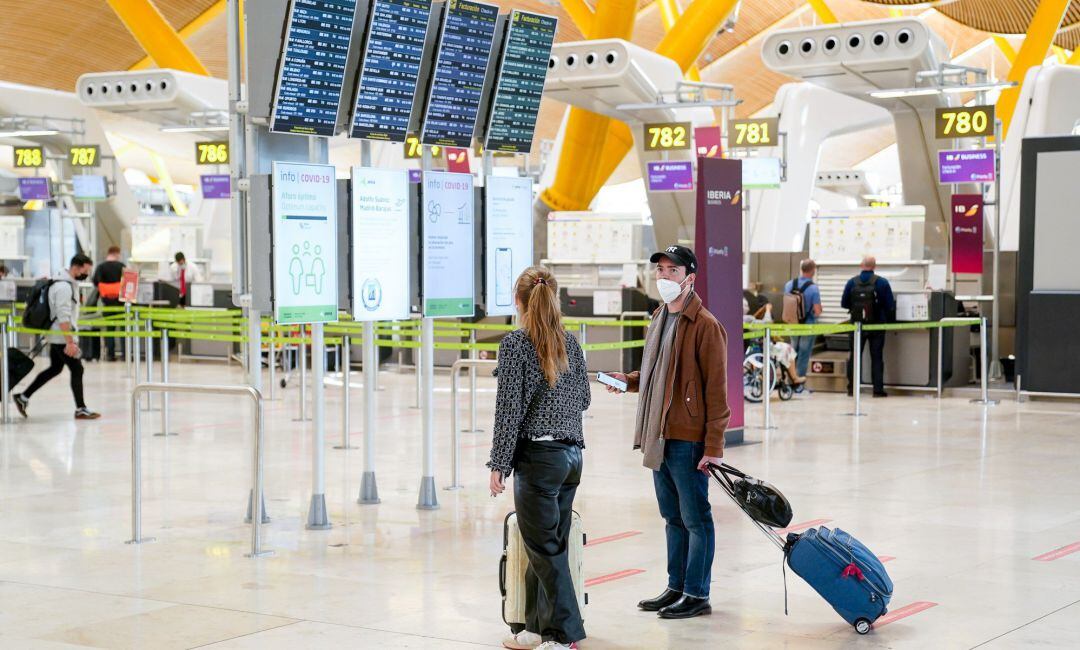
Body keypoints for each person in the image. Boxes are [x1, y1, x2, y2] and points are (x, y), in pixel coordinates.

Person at [605, 245, 730, 620]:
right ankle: (676, 586)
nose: (662, 277)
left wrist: (714, 445)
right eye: (659, 270)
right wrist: (627, 382)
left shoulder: (706, 326)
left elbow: (716, 393)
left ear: (689, 279)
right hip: (659, 434)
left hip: (688, 439)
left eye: (671, 271)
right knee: (672, 517)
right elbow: (657, 375)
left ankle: (697, 593)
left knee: (696, 519)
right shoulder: (660, 316)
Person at [488, 266, 591, 650]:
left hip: (539, 461)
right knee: (544, 547)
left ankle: (565, 636)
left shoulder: (516, 344)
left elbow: (508, 412)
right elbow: (583, 399)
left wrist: (499, 463)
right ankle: (537, 628)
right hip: (571, 459)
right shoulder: (571, 343)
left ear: (518, 301)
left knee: (545, 552)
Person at [14, 254, 101, 420]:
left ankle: (23, 397)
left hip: (56, 335)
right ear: (76, 267)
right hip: (61, 336)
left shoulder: (65, 282)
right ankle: (81, 408)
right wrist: (70, 342)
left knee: (55, 368)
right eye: (86, 270)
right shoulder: (63, 287)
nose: (87, 274)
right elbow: (63, 316)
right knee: (77, 369)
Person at [841, 255, 895, 397]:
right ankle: (877, 390)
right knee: (876, 357)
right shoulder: (882, 282)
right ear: (875, 266)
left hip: (857, 325)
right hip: (877, 325)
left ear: (861, 265)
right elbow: (890, 305)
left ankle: (852, 388)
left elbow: (844, 303)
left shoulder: (852, 282)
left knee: (855, 356)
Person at [784, 259, 823, 379]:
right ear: (813, 271)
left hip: (792, 324)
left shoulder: (789, 284)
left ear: (801, 269)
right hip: (808, 324)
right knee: (804, 353)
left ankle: (789, 379)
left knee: (792, 351)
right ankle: (799, 381)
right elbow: (817, 311)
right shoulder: (813, 288)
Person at [91, 246, 126, 361]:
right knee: (122, 329)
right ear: (116, 253)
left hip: (107, 303)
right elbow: (127, 281)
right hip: (120, 303)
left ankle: (111, 354)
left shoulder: (101, 267)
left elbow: (95, 281)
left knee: (110, 329)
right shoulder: (121, 266)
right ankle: (125, 354)